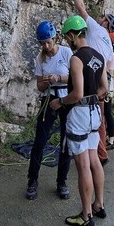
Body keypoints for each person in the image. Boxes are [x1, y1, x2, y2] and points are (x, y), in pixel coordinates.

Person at [50, 15, 108, 226]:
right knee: (94, 160)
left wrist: (59, 102)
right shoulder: (98, 56)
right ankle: (99, 205)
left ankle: (85, 216)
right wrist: (94, 98)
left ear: (74, 35)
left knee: (83, 165)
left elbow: (77, 93)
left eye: (67, 36)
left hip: (80, 114)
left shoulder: (76, 58)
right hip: (95, 113)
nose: (67, 40)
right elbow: (104, 89)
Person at [69, 0, 114, 165]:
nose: (100, 17)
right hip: (102, 79)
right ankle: (100, 154)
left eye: (103, 17)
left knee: (79, 108)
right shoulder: (109, 43)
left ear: (106, 23)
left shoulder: (97, 30)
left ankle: (89, 153)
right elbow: (108, 67)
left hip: (89, 73)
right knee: (99, 118)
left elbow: (80, 7)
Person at [26, 21, 73, 200]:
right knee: (39, 141)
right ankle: (32, 181)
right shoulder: (41, 58)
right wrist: (45, 82)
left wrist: (58, 77)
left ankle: (62, 181)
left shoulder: (66, 52)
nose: (46, 46)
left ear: (55, 38)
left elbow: (75, 78)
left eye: (48, 42)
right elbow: (39, 86)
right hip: (48, 98)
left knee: (65, 142)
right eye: (42, 43)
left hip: (65, 99)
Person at [105, 31, 114, 150]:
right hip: (110, 87)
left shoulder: (109, 54)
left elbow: (107, 71)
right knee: (107, 113)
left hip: (107, 87)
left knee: (107, 113)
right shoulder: (112, 52)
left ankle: (111, 140)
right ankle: (110, 138)